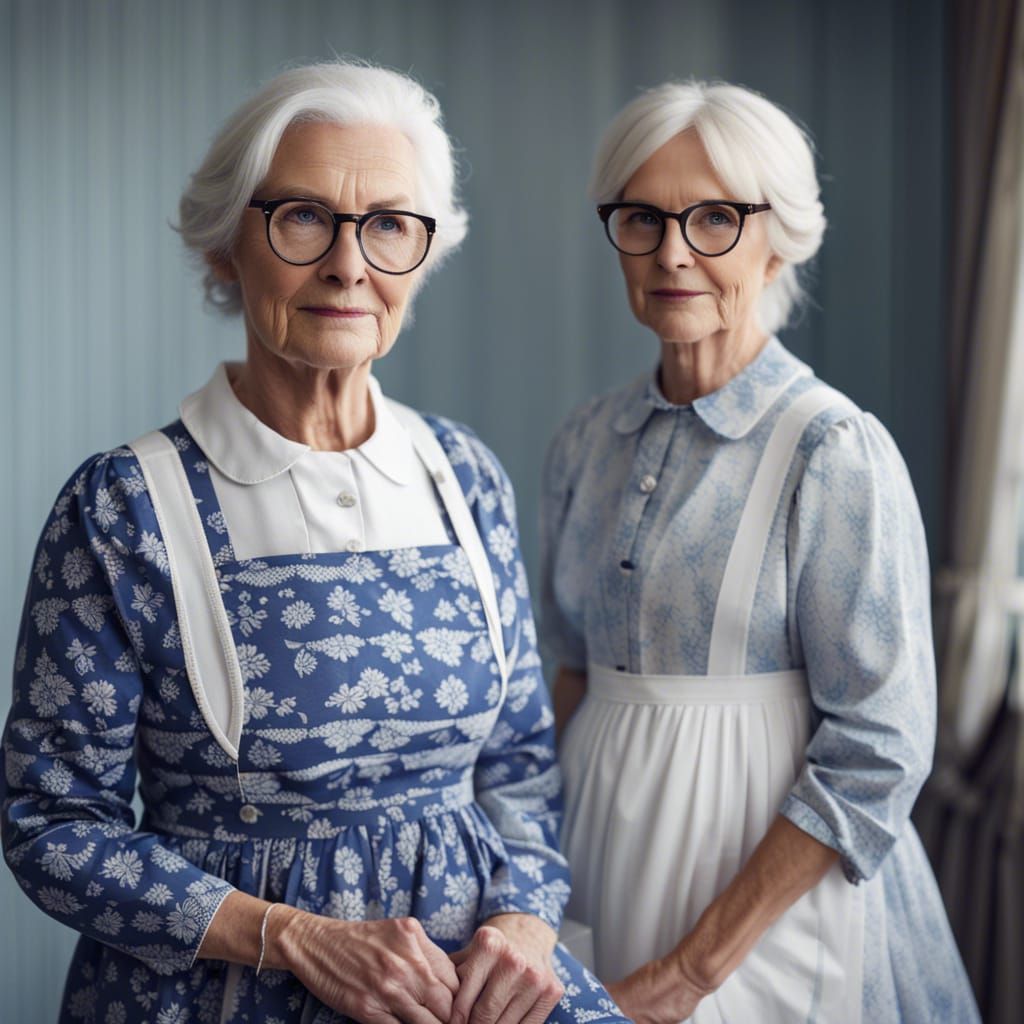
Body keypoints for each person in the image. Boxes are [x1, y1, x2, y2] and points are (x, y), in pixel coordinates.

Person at [1, 61, 624, 1024]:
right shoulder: (123, 508)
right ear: (225, 248)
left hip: (470, 991)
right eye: (302, 218)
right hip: (227, 994)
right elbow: (51, 825)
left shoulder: (464, 474)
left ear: (422, 255)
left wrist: (527, 924)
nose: (349, 265)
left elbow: (521, 766)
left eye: (388, 226)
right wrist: (294, 937)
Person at [540, 80, 981, 1023]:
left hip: (769, 913)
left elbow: (879, 748)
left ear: (777, 235)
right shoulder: (585, 441)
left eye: (714, 219)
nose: (670, 253)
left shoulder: (831, 450)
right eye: (642, 218)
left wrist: (686, 975)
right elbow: (570, 676)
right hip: (604, 874)